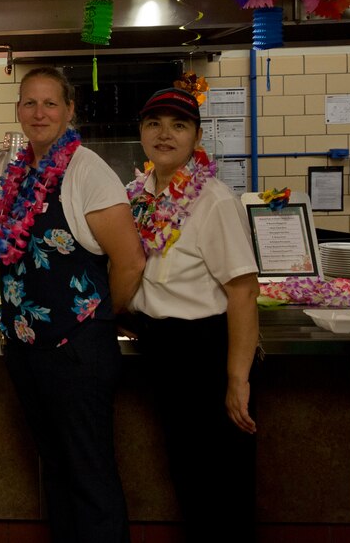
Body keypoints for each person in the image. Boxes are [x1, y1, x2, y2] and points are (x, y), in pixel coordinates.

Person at [0, 66, 146, 543]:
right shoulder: (22, 172)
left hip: (74, 353)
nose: (39, 113)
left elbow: (131, 260)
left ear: (69, 110)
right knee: (56, 474)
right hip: (29, 354)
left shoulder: (86, 171)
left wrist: (96, 319)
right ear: (18, 110)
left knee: (89, 479)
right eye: (30, 103)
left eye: (50, 103)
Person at [124, 88, 260, 543]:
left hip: (205, 350)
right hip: (162, 350)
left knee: (221, 483)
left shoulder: (214, 199)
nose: (165, 134)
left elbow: (242, 291)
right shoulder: (138, 196)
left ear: (197, 136)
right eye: (154, 123)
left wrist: (236, 380)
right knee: (186, 474)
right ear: (141, 132)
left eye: (178, 125)